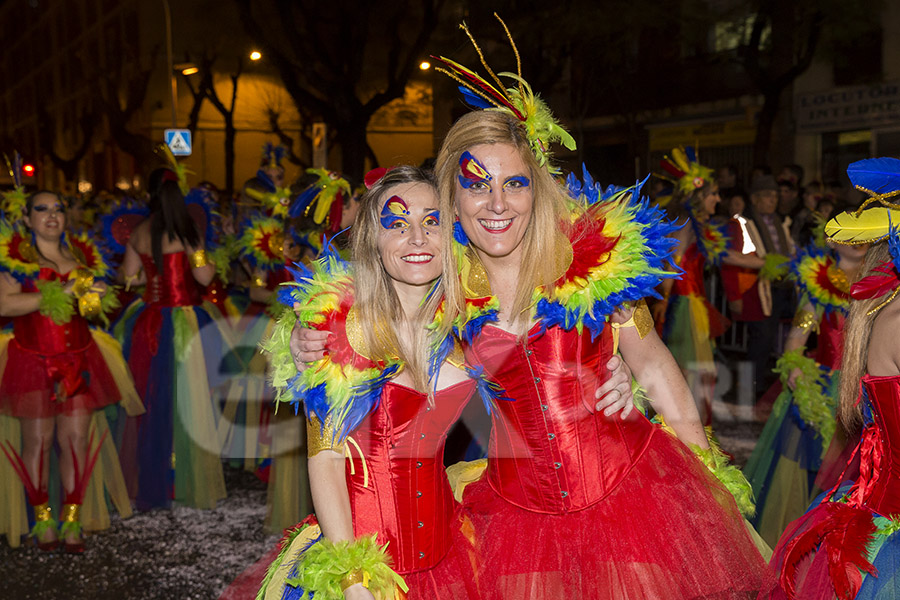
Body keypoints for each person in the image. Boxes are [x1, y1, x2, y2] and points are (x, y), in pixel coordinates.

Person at [425, 22, 767, 597]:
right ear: (452, 199)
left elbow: (654, 365)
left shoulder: (592, 261)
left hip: (631, 499)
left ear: (537, 187)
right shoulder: (440, 294)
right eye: (477, 185)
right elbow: (375, 351)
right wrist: (319, 339)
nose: (498, 203)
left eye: (514, 182)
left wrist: (707, 480)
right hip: (514, 516)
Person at [762, 157, 900, 599]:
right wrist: (805, 390)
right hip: (829, 390)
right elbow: (794, 347)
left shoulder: (877, 307)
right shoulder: (824, 289)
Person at [0, 190, 142, 551]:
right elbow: (6, 304)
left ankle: (72, 520)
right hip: (32, 360)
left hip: (79, 359)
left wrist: (94, 295)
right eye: (42, 209)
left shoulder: (82, 255)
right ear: (28, 218)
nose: (52, 215)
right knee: (39, 441)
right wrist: (60, 291)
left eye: (58, 209)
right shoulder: (15, 257)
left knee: (76, 441)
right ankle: (43, 519)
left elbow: (92, 311)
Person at [118, 167, 228, 511]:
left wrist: (151, 279)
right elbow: (203, 274)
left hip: (148, 319)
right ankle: (184, 475)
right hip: (185, 320)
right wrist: (209, 262)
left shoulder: (140, 232)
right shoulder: (187, 231)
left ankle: (152, 476)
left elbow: (129, 277)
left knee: (151, 399)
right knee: (190, 401)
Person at [744, 239, 865, 547]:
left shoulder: (878, 283)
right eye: (852, 237)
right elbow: (798, 336)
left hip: (859, 389)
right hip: (824, 390)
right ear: (833, 242)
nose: (860, 242)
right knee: (812, 469)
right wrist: (796, 369)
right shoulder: (819, 285)